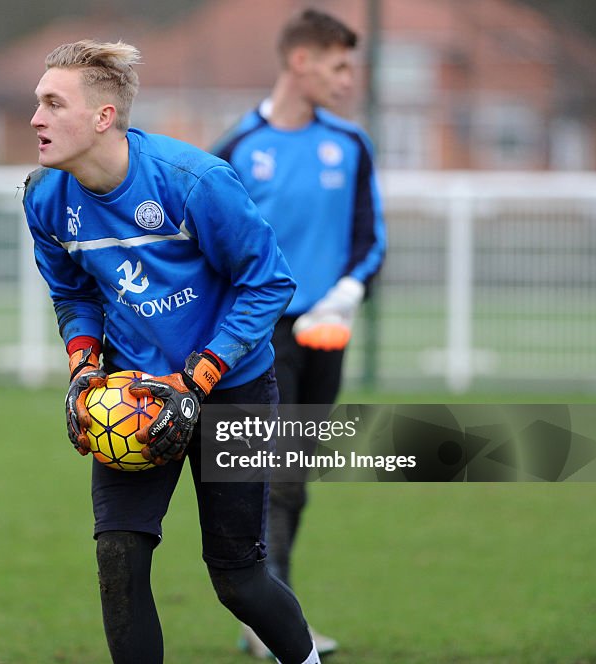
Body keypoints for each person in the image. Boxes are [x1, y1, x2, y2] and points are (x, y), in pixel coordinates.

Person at [22, 39, 322, 664]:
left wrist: (196, 380)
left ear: (103, 117)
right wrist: (84, 368)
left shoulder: (195, 182)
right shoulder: (45, 199)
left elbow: (269, 283)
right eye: (37, 103)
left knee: (238, 577)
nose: (36, 119)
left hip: (233, 389)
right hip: (131, 397)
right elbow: (73, 292)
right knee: (119, 559)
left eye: (53, 103)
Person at [212, 9, 387, 658]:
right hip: (259, 339)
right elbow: (208, 251)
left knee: (295, 478)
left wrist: (343, 295)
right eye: (340, 66)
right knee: (274, 475)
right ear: (300, 62)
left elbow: (372, 239)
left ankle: (264, 606)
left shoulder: (351, 145)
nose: (350, 79)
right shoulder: (235, 150)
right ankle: (271, 624)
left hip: (328, 334)